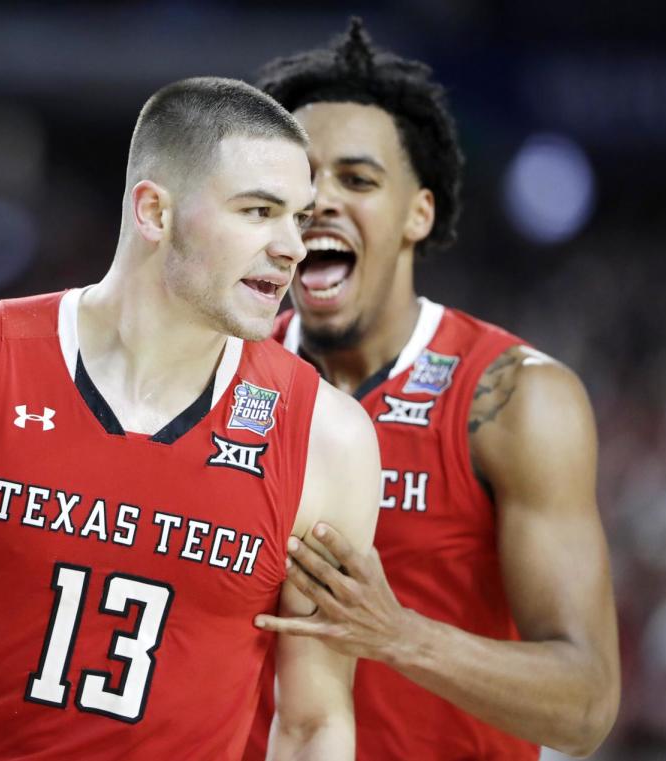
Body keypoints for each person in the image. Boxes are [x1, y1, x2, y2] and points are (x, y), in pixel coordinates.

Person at [0, 20, 622, 761]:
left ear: (418, 213)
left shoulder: (459, 407)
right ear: (158, 209)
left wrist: (400, 636)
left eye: (342, 190)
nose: (305, 231)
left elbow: (567, 708)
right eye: (276, 205)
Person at [0, 77, 382, 760]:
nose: (292, 245)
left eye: (299, 217)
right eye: (258, 211)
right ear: (153, 211)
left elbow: (312, 722)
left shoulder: (328, 439)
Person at [246, 19, 620, 760]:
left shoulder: (514, 397)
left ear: (419, 212)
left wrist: (395, 634)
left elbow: (586, 704)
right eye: (299, 179)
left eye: (356, 179)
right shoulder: (219, 375)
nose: (319, 201)